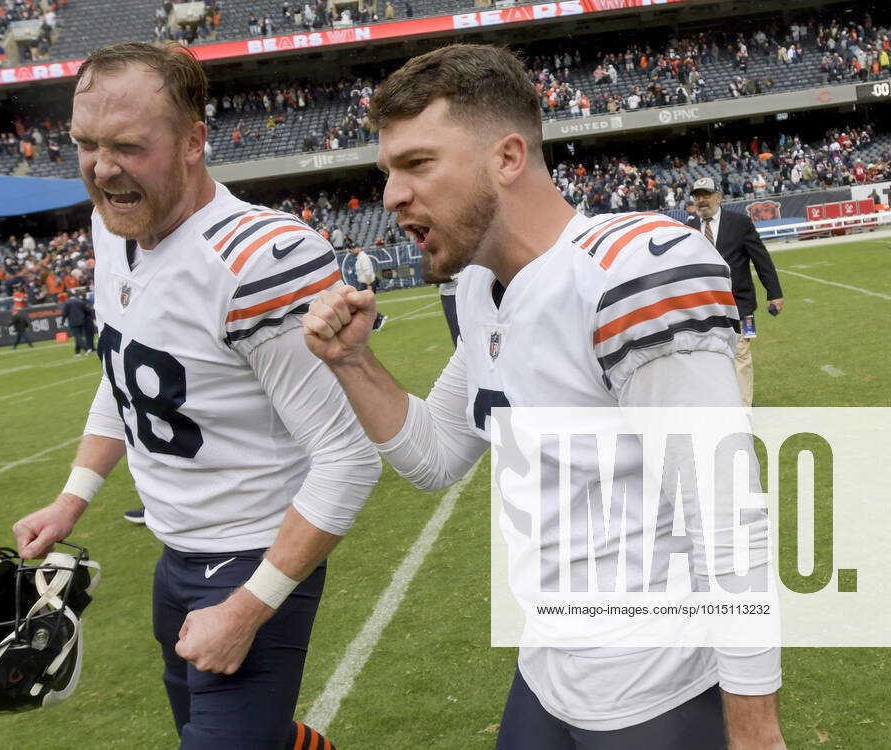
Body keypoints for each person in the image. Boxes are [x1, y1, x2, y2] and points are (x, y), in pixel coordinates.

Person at [303, 44, 784, 750]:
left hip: (655, 684)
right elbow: (435, 456)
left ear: (505, 158)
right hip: (550, 661)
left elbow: (727, 516)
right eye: (388, 172)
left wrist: (755, 730)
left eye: (417, 164)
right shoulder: (478, 286)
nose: (391, 195)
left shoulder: (622, 275)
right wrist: (353, 362)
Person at [11, 42, 380, 750]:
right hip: (175, 551)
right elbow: (127, 372)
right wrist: (73, 496)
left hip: (251, 554)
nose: (102, 167)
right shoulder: (111, 224)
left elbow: (348, 458)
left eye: (127, 145)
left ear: (192, 141)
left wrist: (247, 609)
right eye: (84, 144)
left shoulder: (256, 260)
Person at [686, 177, 784, 407]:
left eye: (706, 195)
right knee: (710, 357)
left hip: (738, 303)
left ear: (719, 197)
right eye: (697, 196)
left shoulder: (739, 223)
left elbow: (762, 259)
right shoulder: (689, 227)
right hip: (703, 306)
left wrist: (774, 292)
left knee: (740, 355)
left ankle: (742, 409)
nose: (701, 200)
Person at [348, 245, 387, 331]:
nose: (351, 252)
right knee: (363, 305)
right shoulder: (360, 257)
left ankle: (379, 318)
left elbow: (367, 271)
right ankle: (375, 323)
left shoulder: (363, 257)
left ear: (357, 248)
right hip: (364, 283)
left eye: (352, 249)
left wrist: (369, 285)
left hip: (366, 283)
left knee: (362, 304)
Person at [60, 287, 92, 356]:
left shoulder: (67, 302)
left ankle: (87, 348)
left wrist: (62, 322)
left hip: (73, 321)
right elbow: (87, 310)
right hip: (81, 320)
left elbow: (65, 313)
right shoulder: (79, 301)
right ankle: (77, 352)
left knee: (77, 336)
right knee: (79, 336)